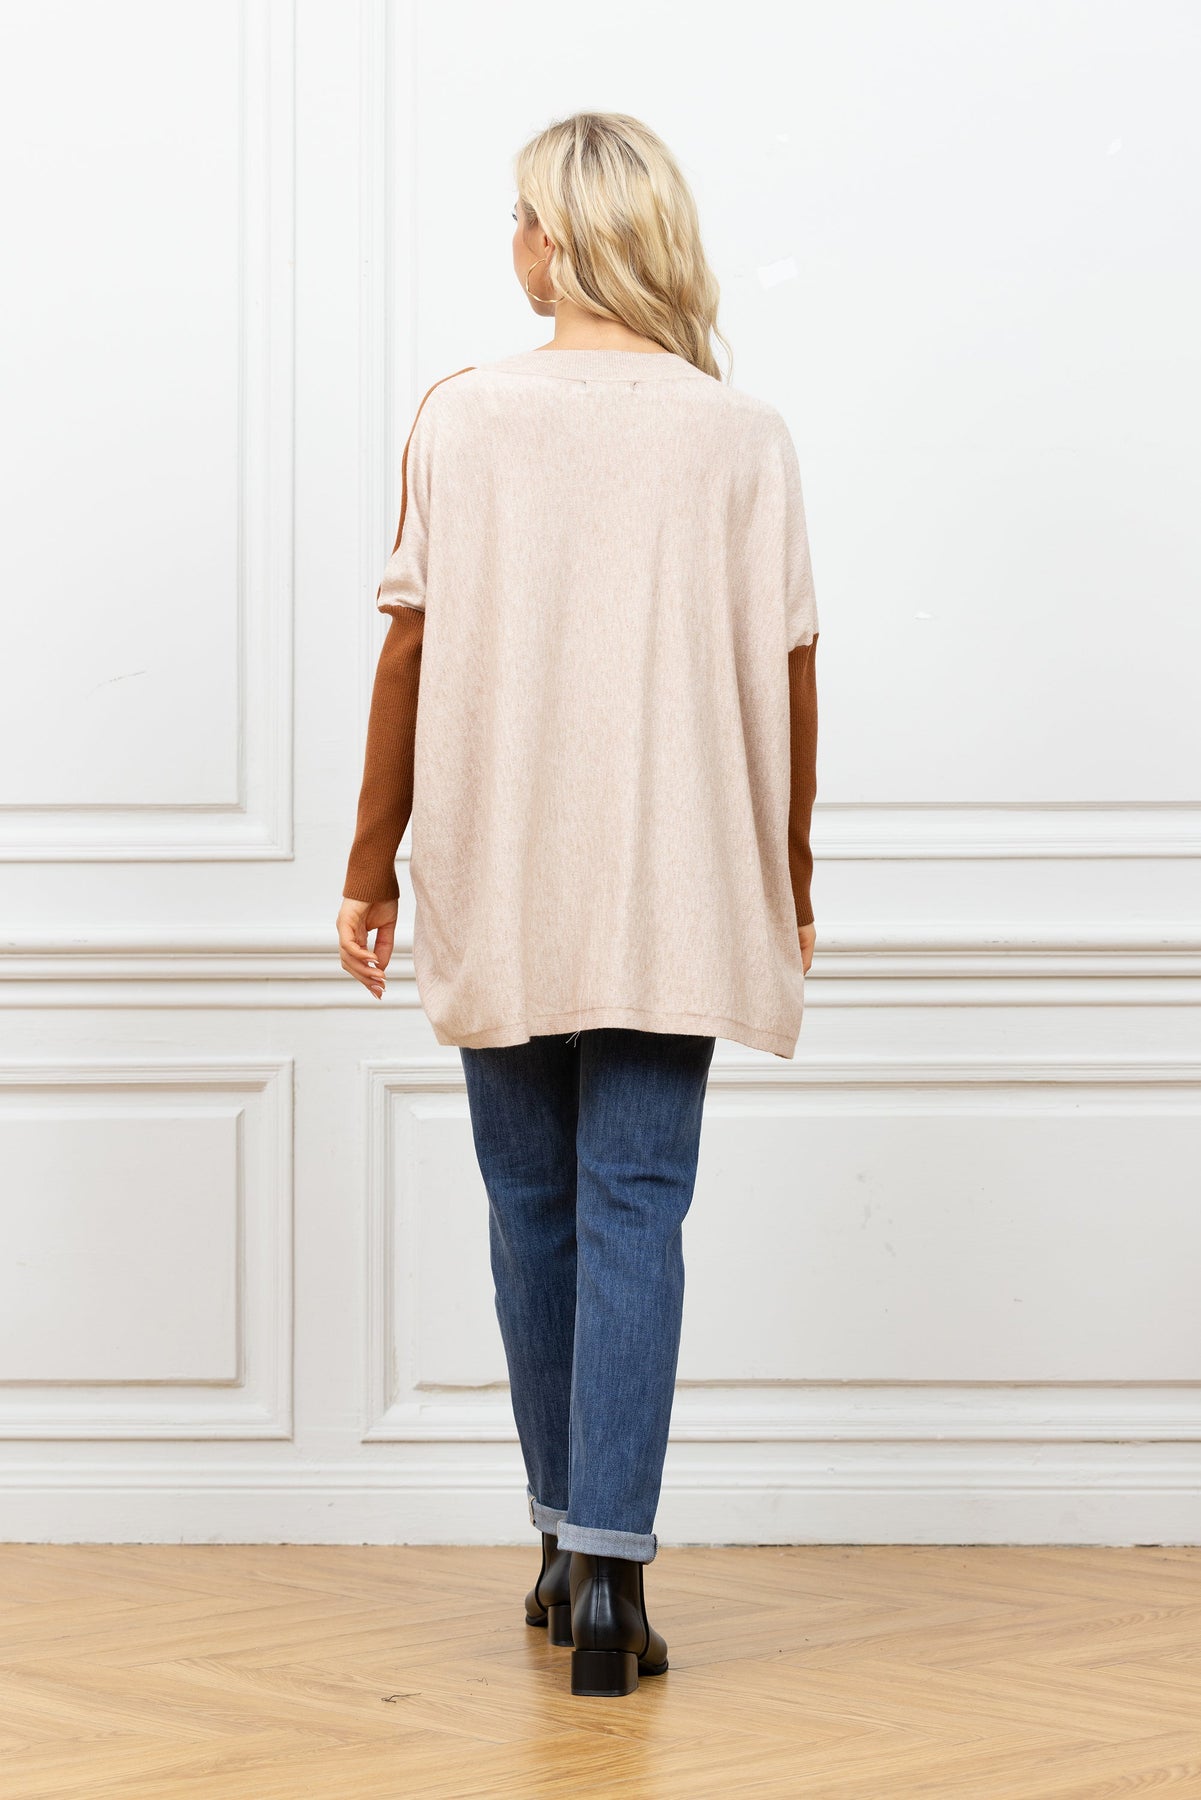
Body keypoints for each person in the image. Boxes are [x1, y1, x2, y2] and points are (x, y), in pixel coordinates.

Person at [337, 112, 819, 1698]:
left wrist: (366, 868)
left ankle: (558, 1540)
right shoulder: (741, 436)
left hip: (501, 862)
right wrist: (789, 876)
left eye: (519, 218)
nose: (512, 243)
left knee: (530, 1207)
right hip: (680, 877)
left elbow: (407, 651)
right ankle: (609, 1572)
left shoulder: (462, 415)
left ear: (558, 237)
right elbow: (791, 674)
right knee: (635, 1205)